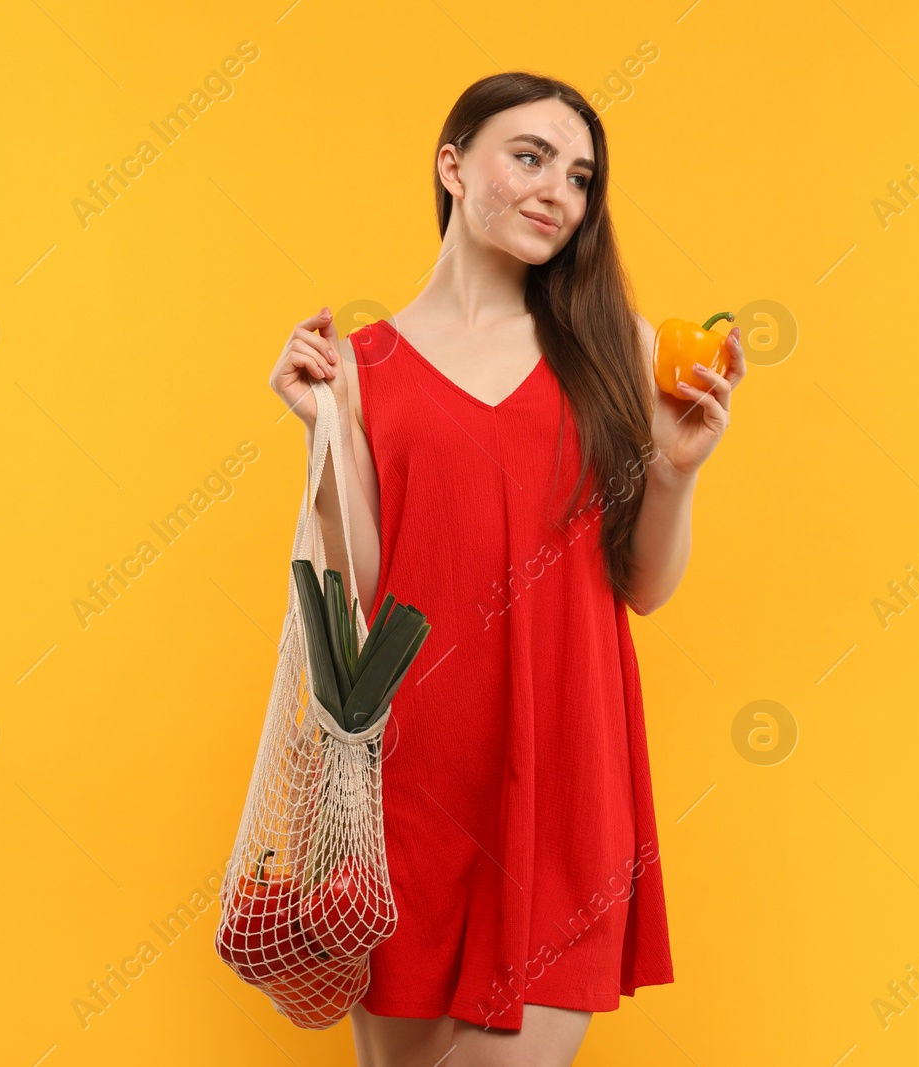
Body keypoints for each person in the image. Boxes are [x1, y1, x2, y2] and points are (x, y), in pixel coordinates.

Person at [267, 71, 744, 1067]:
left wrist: (676, 470)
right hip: (411, 782)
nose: (557, 191)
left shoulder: (624, 351)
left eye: (579, 176)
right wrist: (319, 438)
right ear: (452, 166)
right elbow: (366, 581)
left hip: (568, 769)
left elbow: (644, 587)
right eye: (529, 157)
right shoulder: (355, 365)